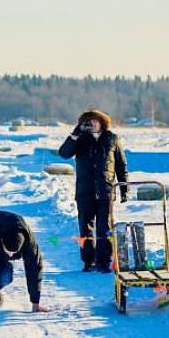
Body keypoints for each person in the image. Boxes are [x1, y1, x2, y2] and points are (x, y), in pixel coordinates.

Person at [57, 109, 129, 273]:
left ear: (102, 123)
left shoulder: (112, 139)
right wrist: (74, 135)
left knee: (105, 227)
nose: (91, 124)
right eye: (87, 122)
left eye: (94, 121)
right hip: (85, 191)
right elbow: (64, 154)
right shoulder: (80, 139)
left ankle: (104, 262)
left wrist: (124, 188)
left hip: (106, 191)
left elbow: (121, 165)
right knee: (85, 227)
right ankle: (89, 261)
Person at [0, 211, 48, 312]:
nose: (11, 255)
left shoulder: (30, 244)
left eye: (14, 253)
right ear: (2, 242)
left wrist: (35, 303)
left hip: (0, 237)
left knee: (6, 276)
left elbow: (34, 270)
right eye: (8, 251)